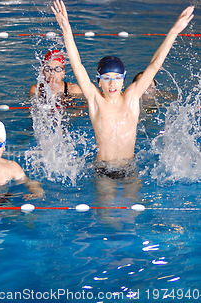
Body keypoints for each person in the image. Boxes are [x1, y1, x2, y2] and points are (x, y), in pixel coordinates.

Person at [51, 0, 194, 177]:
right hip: (103, 169)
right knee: (105, 203)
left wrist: (174, 31)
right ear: (99, 82)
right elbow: (77, 65)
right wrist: (66, 29)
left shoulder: (132, 98)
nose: (112, 84)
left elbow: (155, 64)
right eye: (107, 79)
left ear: (124, 81)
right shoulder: (96, 100)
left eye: (117, 79)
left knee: (138, 202)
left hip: (129, 167)